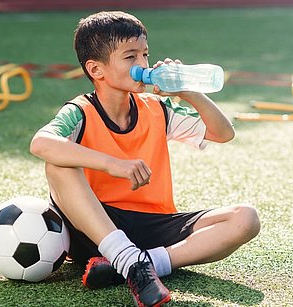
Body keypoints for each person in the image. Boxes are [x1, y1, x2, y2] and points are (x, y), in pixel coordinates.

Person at [30, 11, 260, 307]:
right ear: (96, 70)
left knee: (245, 219)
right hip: (95, 228)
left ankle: (138, 264)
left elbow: (222, 133)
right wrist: (113, 163)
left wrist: (188, 93)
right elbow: (41, 142)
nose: (142, 64)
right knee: (59, 162)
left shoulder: (157, 108)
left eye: (145, 54)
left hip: (152, 225)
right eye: (130, 57)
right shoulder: (80, 111)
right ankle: (125, 256)